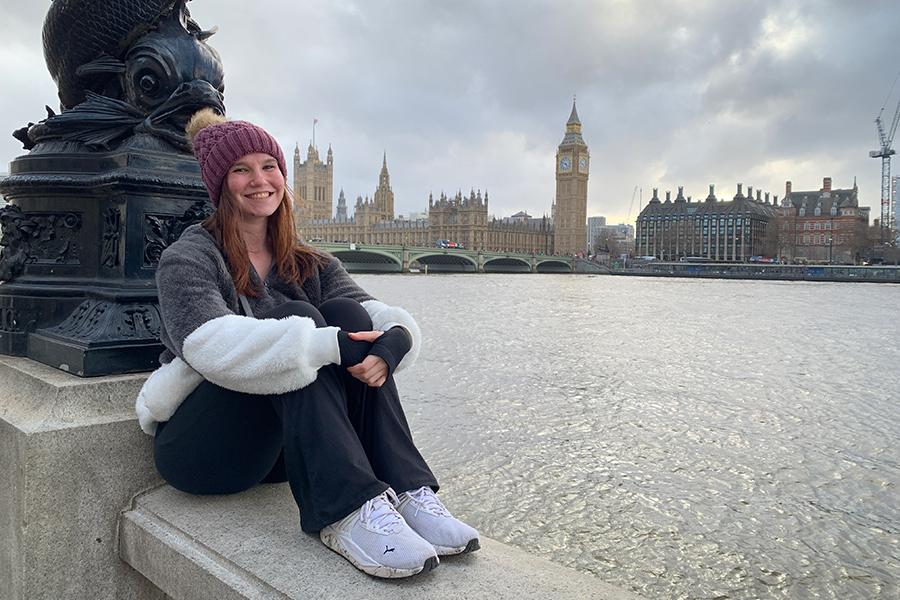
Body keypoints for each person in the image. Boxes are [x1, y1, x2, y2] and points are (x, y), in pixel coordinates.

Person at [134, 108, 479, 578]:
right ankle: (343, 513)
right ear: (220, 184)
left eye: (269, 166)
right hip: (205, 452)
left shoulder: (307, 260)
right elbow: (209, 344)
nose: (260, 180)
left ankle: (407, 490)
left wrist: (394, 339)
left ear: (284, 174)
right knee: (297, 319)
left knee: (345, 314)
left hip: (282, 449)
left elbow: (368, 313)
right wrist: (329, 346)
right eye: (241, 169)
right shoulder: (190, 257)